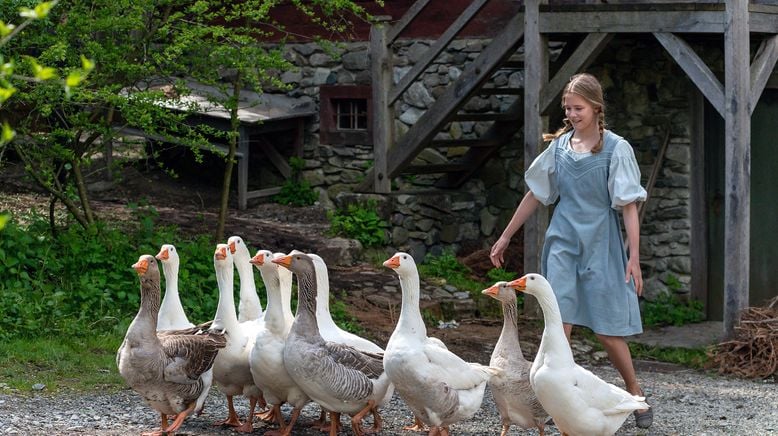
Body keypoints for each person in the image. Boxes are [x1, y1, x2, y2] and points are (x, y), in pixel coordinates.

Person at [489, 73, 652, 428]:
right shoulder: (559, 147)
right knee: (557, 328)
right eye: (567, 108)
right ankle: (557, 406)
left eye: (578, 108)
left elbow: (628, 207)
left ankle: (635, 395)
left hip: (602, 245)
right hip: (562, 242)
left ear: (596, 107)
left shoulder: (616, 148)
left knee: (608, 331)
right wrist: (505, 236)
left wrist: (634, 257)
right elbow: (536, 194)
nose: (572, 114)